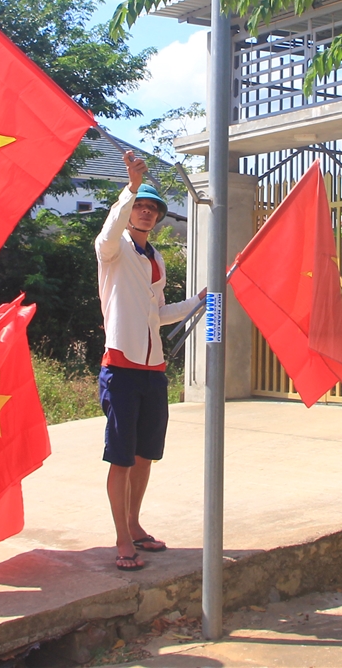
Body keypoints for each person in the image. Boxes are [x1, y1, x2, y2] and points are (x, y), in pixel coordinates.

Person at [95, 150, 204, 570]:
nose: (144, 213)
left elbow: (156, 314)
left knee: (144, 456)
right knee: (120, 457)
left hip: (153, 370)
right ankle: (121, 537)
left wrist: (197, 302)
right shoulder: (114, 250)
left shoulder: (155, 259)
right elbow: (108, 233)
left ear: (159, 217)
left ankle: (136, 525)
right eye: (138, 206)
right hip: (120, 368)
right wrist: (131, 185)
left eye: (150, 208)